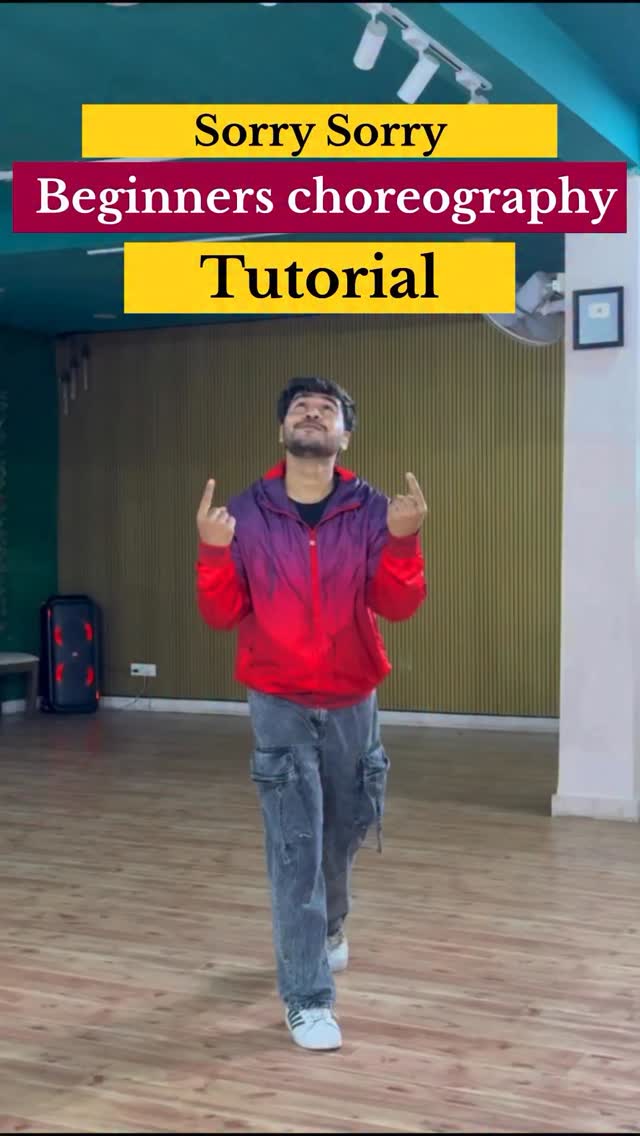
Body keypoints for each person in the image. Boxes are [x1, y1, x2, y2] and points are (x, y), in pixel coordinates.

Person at [195, 376, 427, 1052]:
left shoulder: (373, 509)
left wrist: (405, 541)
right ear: (283, 431)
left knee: (344, 827)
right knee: (295, 846)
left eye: (327, 410)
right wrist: (212, 551)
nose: (313, 414)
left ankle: (329, 925)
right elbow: (221, 614)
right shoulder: (244, 514)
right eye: (301, 407)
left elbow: (397, 604)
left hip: (354, 696)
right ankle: (307, 997)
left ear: (344, 437)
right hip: (279, 699)